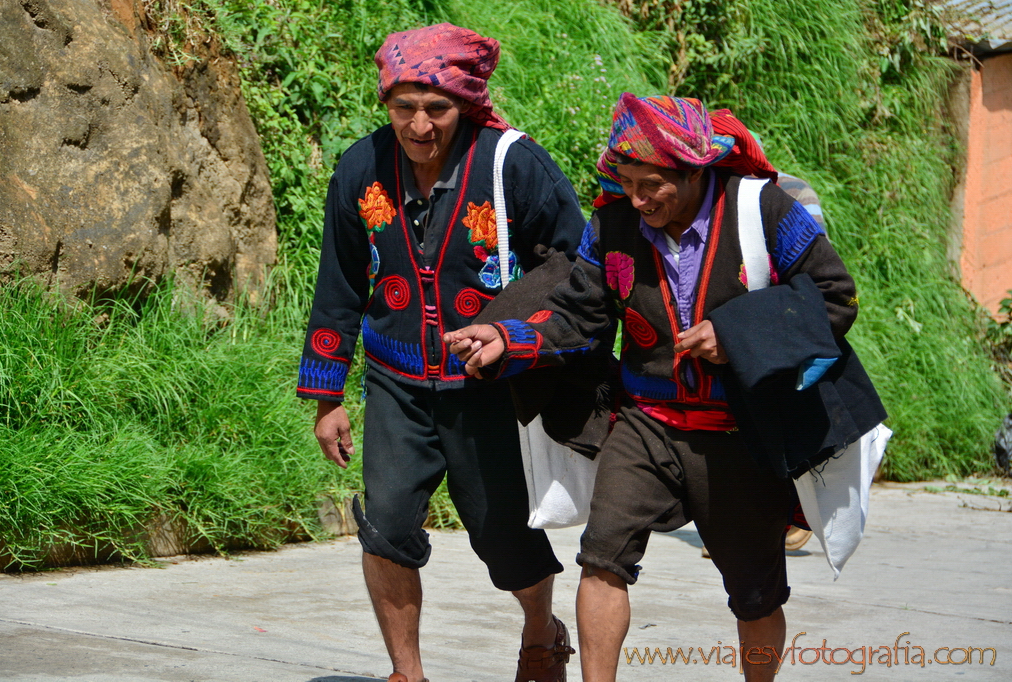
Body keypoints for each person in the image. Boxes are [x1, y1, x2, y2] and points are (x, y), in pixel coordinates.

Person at [445, 93, 861, 682]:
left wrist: (738, 335)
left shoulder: (762, 208)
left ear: (695, 170)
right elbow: (580, 316)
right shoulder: (615, 223)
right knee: (601, 559)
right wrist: (508, 340)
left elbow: (835, 296)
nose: (637, 200)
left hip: (738, 431)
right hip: (648, 424)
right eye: (628, 182)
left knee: (756, 592)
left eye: (653, 185)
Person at [295, 23, 586, 682]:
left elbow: (577, 266)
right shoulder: (358, 168)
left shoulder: (514, 164)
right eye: (403, 107)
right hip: (396, 383)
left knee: (502, 534)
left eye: (437, 109)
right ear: (385, 104)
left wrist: (518, 337)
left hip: (488, 386)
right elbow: (338, 287)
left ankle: (541, 635)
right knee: (387, 524)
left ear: (467, 104)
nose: (419, 124)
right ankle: (407, 672)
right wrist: (325, 396)